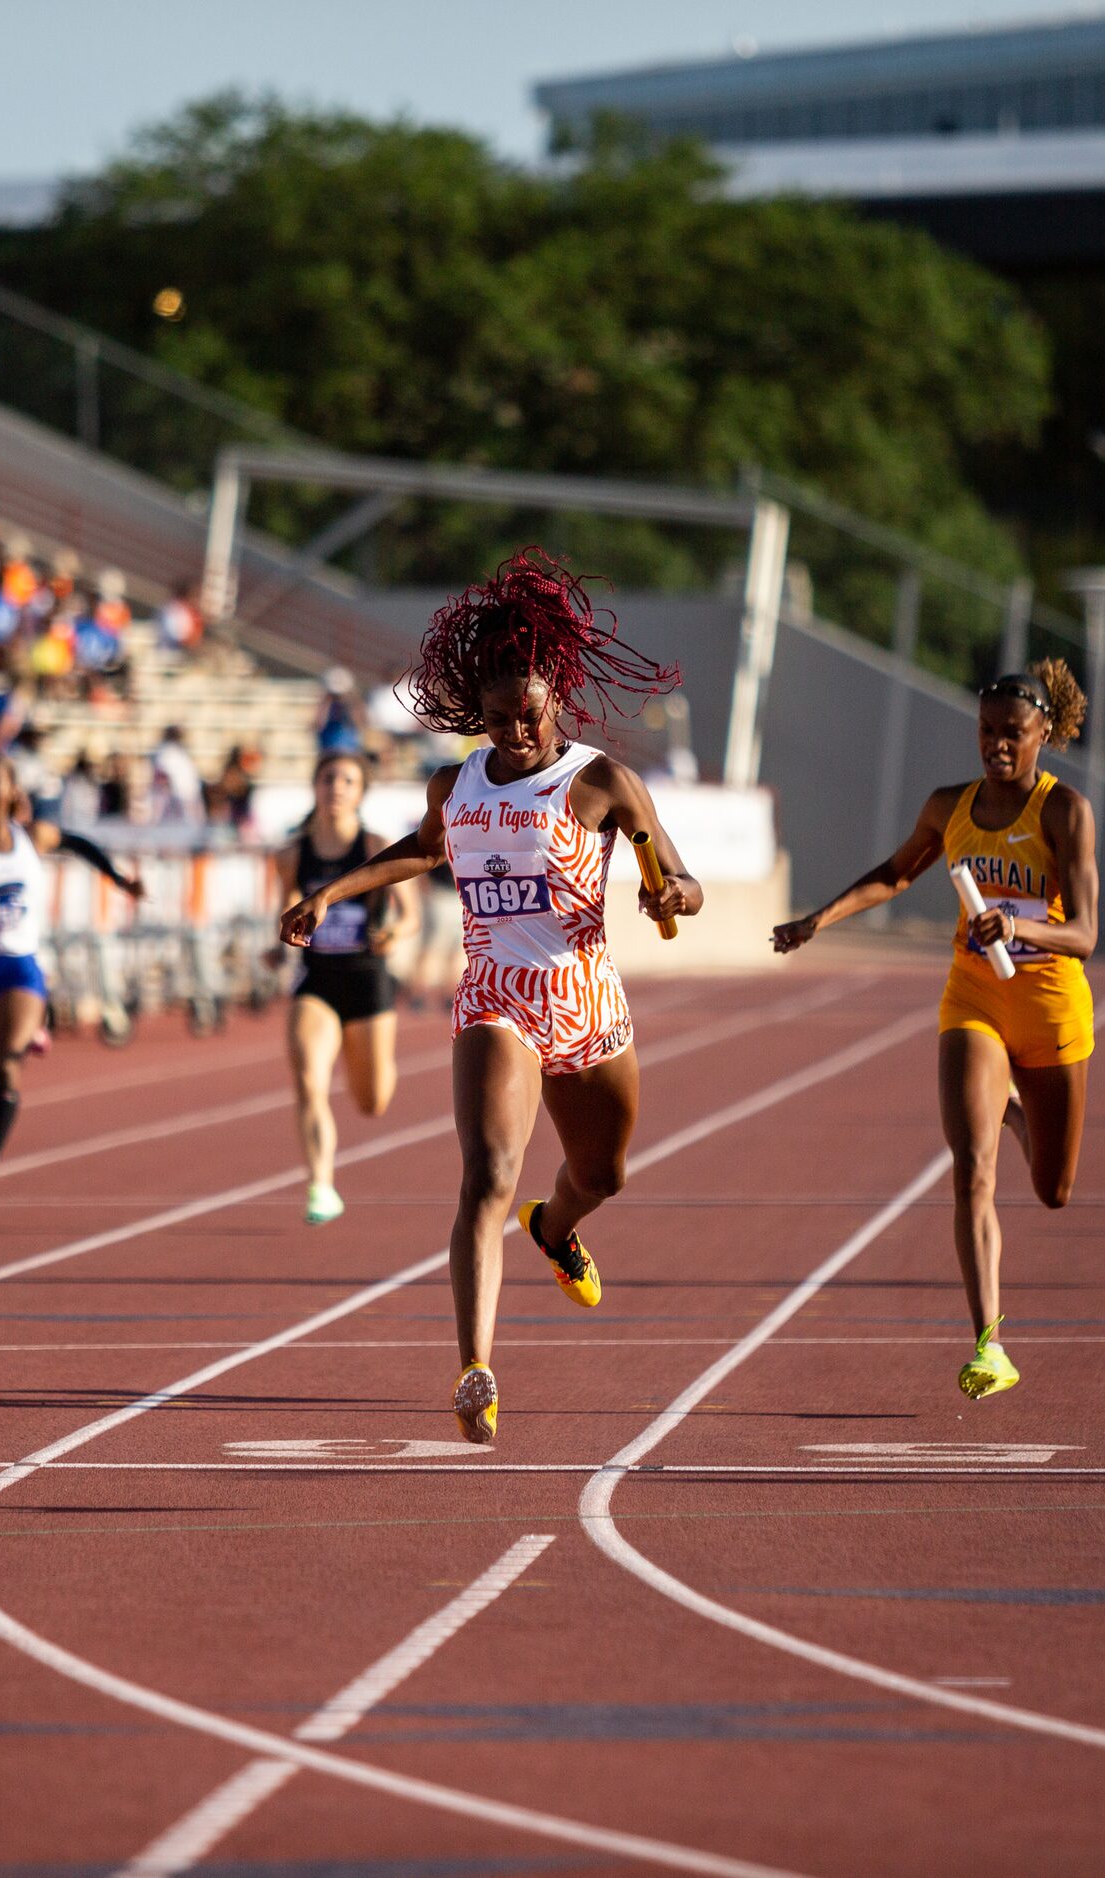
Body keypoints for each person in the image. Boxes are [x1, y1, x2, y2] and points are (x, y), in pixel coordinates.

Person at [277, 552, 698, 1445]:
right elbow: (423, 851)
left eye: (528, 715)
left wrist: (671, 895)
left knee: (603, 1174)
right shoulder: (457, 784)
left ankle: (558, 1228)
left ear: (558, 699)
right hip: (495, 1000)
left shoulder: (600, 782)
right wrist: (331, 893)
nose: (513, 731)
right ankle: (476, 1369)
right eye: (498, 716)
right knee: (486, 1176)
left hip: (587, 1003)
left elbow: (682, 878)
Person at [772, 662, 1099, 1403]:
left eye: (1012, 734)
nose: (997, 747)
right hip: (975, 998)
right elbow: (895, 874)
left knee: (1054, 1189)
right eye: (986, 732)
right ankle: (989, 1343)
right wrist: (815, 921)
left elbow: (1085, 933)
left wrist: (1018, 924)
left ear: (1044, 735)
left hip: (1050, 1008)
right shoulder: (950, 805)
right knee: (972, 1171)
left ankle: (1014, 1111)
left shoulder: (1064, 813)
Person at [0, 751, 143, 1200]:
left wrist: (117, 878)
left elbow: (78, 843)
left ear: (11, 793)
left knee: (4, 1071)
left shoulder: (32, 836)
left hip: (15, 966)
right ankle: (25, 1039)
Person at [282, 750, 417, 1225]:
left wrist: (393, 934)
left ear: (361, 792)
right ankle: (321, 1185)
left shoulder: (375, 846)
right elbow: (286, 909)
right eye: (328, 779)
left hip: (368, 981)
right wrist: (277, 946)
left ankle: (372, 1060)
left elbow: (411, 915)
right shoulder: (294, 854)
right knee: (307, 1082)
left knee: (371, 1101)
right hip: (317, 981)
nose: (336, 787)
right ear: (315, 787)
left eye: (347, 781)